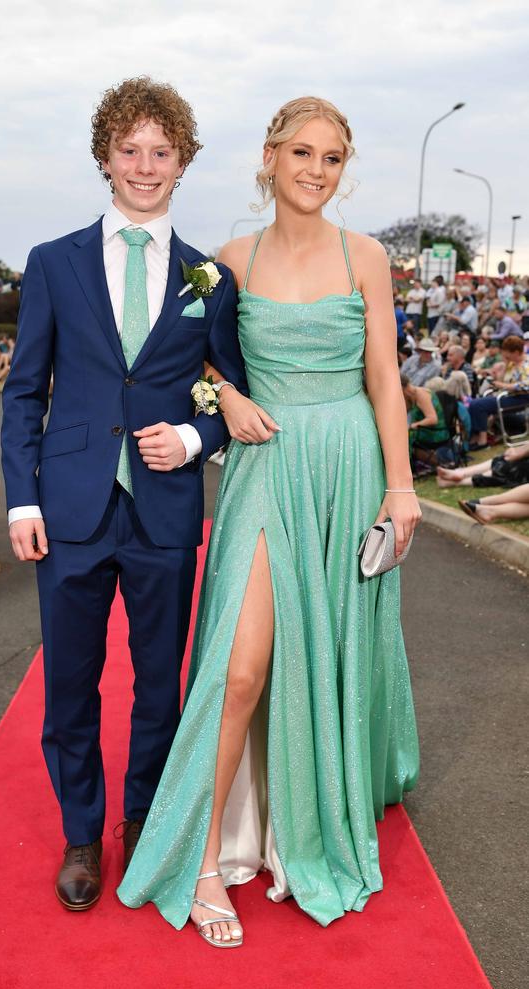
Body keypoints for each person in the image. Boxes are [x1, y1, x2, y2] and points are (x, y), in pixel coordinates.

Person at [119, 95, 420, 945]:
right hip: (263, 466)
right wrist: (232, 396)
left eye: (332, 158)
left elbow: (385, 379)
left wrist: (401, 488)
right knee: (240, 668)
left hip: (346, 464)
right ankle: (205, 857)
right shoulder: (225, 261)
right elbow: (198, 359)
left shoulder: (366, 257)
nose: (316, 171)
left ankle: (310, 815)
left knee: (327, 647)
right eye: (302, 153)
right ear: (269, 157)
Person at [0, 77, 248, 914]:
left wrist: (194, 437)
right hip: (68, 507)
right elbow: (23, 392)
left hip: (164, 511)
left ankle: (143, 821)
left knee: (156, 680)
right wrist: (22, 500)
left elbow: (232, 392)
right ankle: (81, 831)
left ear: (183, 164)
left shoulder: (209, 278)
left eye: (162, 152)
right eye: (130, 150)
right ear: (105, 158)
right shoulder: (53, 262)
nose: (145, 166)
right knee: (71, 681)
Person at [467, 334, 529, 448]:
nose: (506, 358)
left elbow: (525, 386)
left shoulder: (526, 364)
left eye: (508, 356)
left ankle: (482, 440)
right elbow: (500, 382)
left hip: (521, 398)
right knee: (475, 403)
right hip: (508, 396)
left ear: (515, 352)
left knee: (478, 405)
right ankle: (476, 437)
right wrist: (505, 366)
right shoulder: (511, 364)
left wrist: (504, 385)